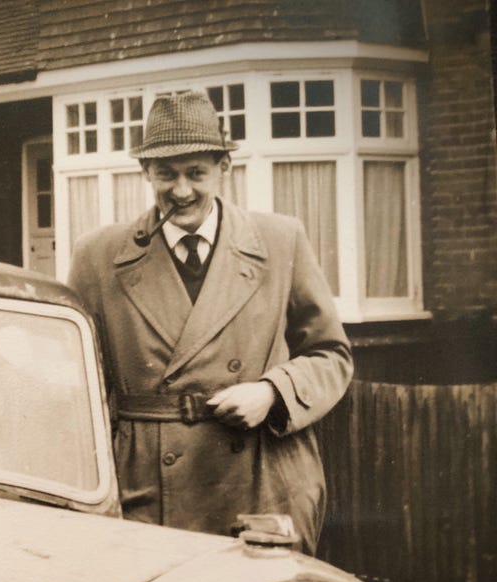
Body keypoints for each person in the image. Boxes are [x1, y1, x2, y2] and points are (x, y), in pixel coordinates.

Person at [68, 90, 353, 554]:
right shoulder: (98, 255)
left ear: (225, 169)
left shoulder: (281, 241)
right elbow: (77, 383)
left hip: (260, 474)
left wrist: (273, 392)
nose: (181, 191)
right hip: (145, 482)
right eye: (166, 174)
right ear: (145, 173)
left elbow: (331, 355)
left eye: (196, 173)